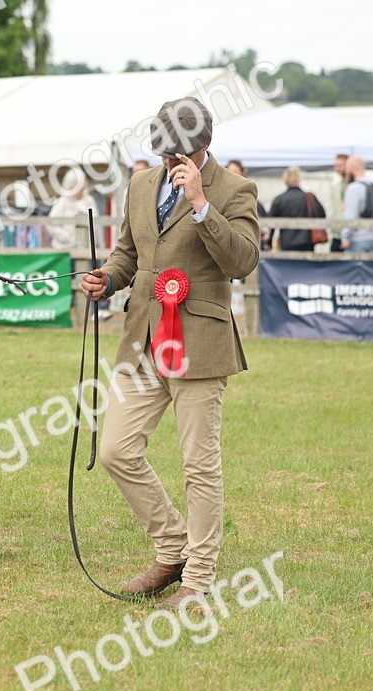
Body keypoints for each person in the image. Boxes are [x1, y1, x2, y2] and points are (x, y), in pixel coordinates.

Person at [78, 96, 259, 610]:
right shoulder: (139, 185)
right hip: (142, 339)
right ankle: (172, 546)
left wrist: (202, 207)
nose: (167, 160)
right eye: (162, 149)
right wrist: (107, 279)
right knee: (115, 449)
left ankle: (198, 578)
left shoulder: (233, 189)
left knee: (199, 465)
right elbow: (128, 254)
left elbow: (242, 261)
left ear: (204, 145)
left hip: (199, 342)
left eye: (177, 151)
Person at [269, 167, 326, 252]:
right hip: (307, 240)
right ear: (299, 179)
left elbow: (271, 223)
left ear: (285, 180)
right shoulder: (309, 197)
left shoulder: (279, 199)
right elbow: (322, 214)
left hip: (287, 241)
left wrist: (269, 242)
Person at [227, 160, 270, 250]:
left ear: (242, 173)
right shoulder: (222, 199)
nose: (232, 175)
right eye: (229, 171)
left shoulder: (254, 201)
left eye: (235, 172)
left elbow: (266, 228)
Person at [341, 156, 373, 254]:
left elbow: (351, 216)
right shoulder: (372, 185)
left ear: (352, 168)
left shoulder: (354, 188)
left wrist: (345, 237)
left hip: (356, 239)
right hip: (372, 236)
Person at [329, 153, 349, 252]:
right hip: (336, 234)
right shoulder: (337, 185)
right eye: (335, 166)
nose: (337, 169)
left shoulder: (351, 186)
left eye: (339, 166)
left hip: (348, 236)